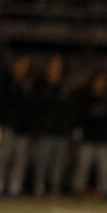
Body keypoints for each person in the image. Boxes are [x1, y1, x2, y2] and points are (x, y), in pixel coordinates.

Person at [31, 54, 72, 197]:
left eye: (58, 65)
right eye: (53, 64)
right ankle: (39, 186)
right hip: (45, 130)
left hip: (60, 131)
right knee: (42, 161)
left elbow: (70, 109)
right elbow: (35, 107)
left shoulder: (65, 85)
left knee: (58, 163)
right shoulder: (40, 85)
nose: (56, 67)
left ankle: (55, 188)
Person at [0, 55, 35, 197]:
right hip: (9, 126)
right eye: (21, 64)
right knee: (4, 157)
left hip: (23, 129)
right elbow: (1, 104)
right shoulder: (6, 81)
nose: (23, 68)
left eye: (25, 65)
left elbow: (31, 107)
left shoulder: (28, 83)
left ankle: (15, 187)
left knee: (19, 160)